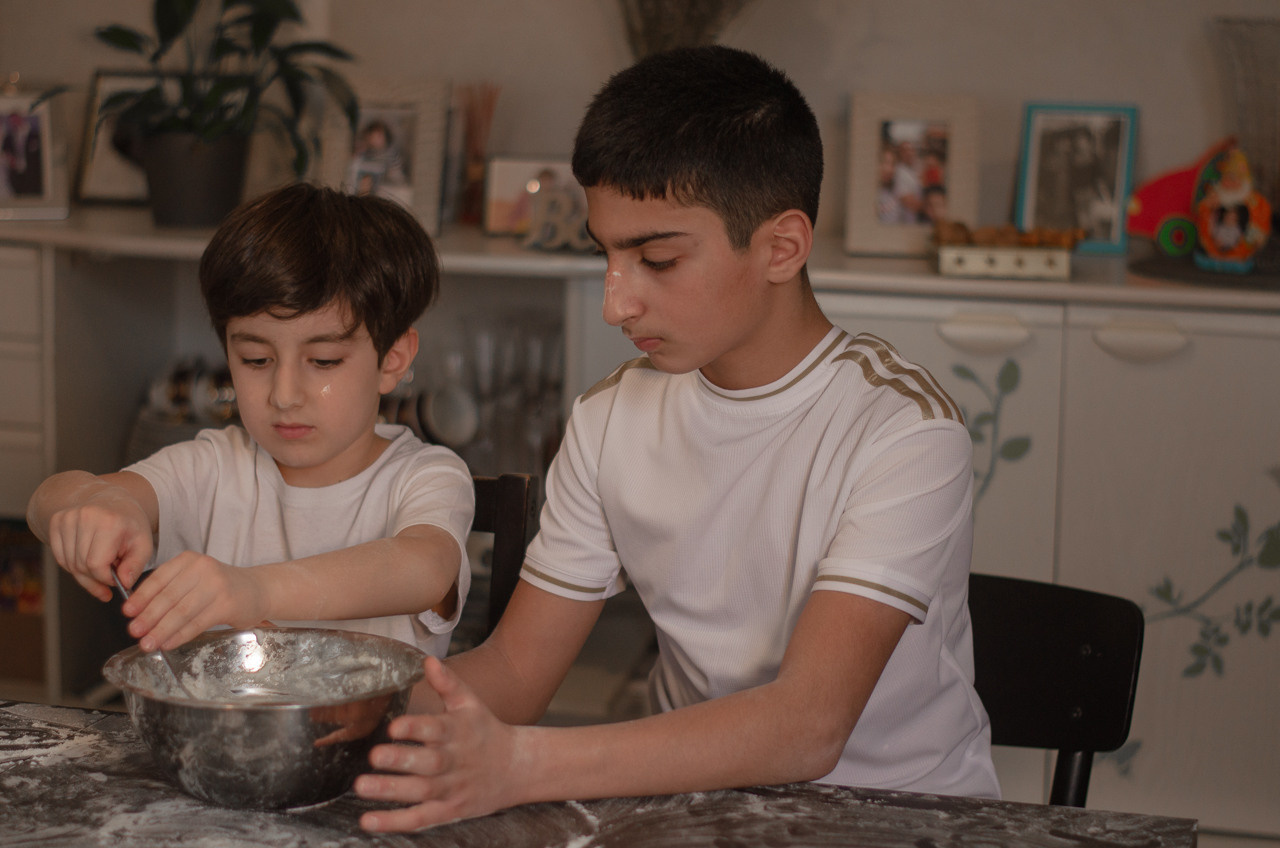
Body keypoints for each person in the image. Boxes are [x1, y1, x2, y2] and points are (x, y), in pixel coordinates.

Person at [353, 45, 998, 832]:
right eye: (607, 255)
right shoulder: (610, 420)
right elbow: (518, 671)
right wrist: (315, 708)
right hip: (698, 815)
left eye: (656, 258)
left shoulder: (903, 431)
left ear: (781, 248)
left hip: (899, 821)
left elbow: (806, 727)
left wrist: (522, 764)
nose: (615, 304)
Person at [26, 183, 475, 659]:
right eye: (256, 359)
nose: (284, 395)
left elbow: (424, 569)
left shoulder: (425, 477)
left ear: (393, 360)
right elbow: (46, 501)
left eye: (323, 361)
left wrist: (253, 590)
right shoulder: (214, 468)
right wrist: (98, 505)